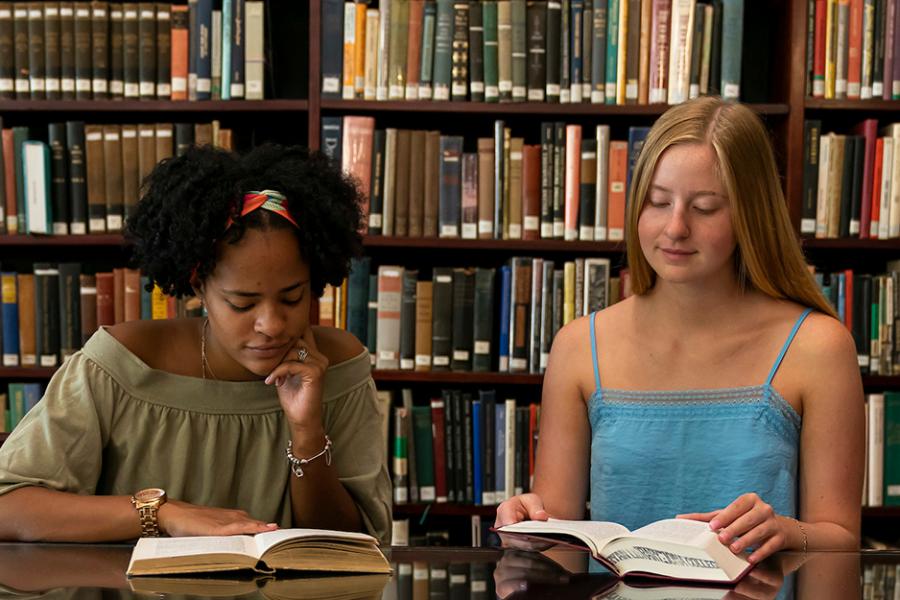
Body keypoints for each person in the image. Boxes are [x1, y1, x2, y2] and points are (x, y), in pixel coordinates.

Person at [495, 96, 864, 564]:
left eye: (705, 207)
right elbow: (562, 543)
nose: (675, 227)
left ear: (750, 215)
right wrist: (528, 527)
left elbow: (842, 537)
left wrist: (790, 533)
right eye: (657, 201)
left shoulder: (818, 346)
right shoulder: (578, 347)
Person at [0, 144, 391, 544]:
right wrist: (162, 514)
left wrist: (307, 429)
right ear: (197, 285)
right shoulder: (120, 367)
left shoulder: (340, 368)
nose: (272, 325)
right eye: (242, 303)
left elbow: (350, 546)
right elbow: (9, 505)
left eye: (293, 297)